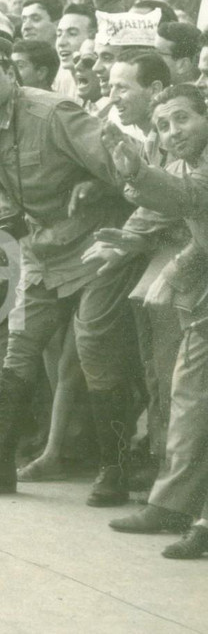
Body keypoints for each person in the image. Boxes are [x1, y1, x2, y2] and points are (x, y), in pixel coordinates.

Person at [0, 34, 142, 506]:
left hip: (96, 243)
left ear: (11, 75)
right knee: (19, 348)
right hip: (43, 249)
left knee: (94, 349)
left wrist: (96, 186)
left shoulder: (53, 114)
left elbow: (126, 166)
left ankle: (114, 470)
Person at [100, 84, 208, 559]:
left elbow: (191, 197)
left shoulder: (191, 172)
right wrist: (135, 243)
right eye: (163, 125)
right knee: (189, 396)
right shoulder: (183, 164)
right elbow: (190, 224)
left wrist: (138, 172)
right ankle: (173, 506)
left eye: (182, 118)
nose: (172, 132)